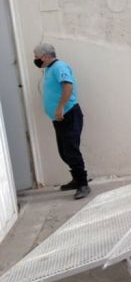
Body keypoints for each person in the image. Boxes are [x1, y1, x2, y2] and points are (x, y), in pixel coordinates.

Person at [33, 43, 90, 199]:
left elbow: (67, 87)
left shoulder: (59, 67)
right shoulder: (49, 69)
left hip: (68, 114)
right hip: (59, 118)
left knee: (71, 150)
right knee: (64, 152)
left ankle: (83, 184)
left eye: (36, 55)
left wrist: (60, 107)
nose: (35, 59)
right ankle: (76, 180)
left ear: (44, 56)